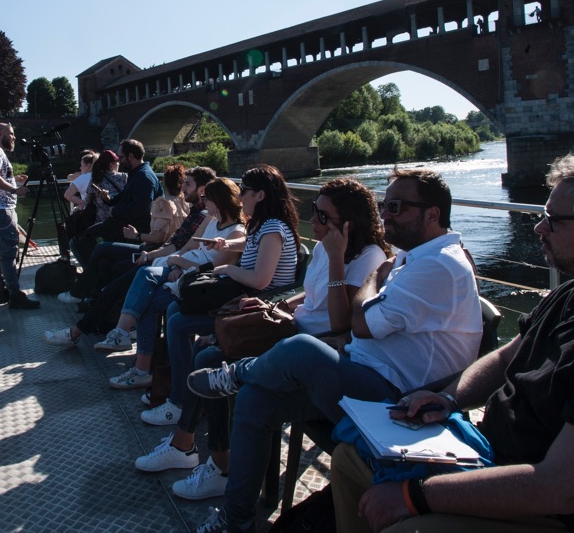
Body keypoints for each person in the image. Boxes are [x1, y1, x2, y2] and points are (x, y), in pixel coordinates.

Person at [334, 151, 574, 533]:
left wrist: (413, 496)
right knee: (350, 459)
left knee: (405, 527)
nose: (539, 228)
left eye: (554, 219)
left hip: (569, 514)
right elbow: (506, 358)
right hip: (501, 461)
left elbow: (559, 487)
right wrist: (448, 398)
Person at [187, 168, 482, 533]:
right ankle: (236, 519)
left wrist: (375, 278)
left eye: (395, 207)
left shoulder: (435, 264)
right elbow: (362, 322)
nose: (386, 215)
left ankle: (237, 373)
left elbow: (359, 323)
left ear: (432, 214)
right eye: (383, 206)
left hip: (402, 398)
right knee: (254, 400)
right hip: (364, 368)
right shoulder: (414, 258)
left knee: (302, 349)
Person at [139, 179, 392, 502]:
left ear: (349, 223)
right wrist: (278, 305)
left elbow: (341, 321)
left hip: (313, 344)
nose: (313, 220)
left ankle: (202, 455)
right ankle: (197, 450)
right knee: (205, 348)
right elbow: (310, 297)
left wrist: (336, 260)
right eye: (314, 211)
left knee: (209, 358)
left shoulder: (366, 257)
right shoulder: (323, 246)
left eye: (322, 216)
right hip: (290, 326)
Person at [92, 178, 248, 390]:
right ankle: (128, 345)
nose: (204, 203)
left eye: (207, 199)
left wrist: (179, 264)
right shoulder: (210, 220)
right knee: (145, 279)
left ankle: (134, 356)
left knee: (146, 293)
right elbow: (189, 246)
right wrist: (176, 264)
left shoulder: (236, 232)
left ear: (219, 201)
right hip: (182, 270)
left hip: (198, 282)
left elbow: (214, 268)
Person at [43, 166, 217, 348]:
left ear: (202, 189)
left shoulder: (202, 215)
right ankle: (109, 317)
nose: (183, 187)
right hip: (163, 257)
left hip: (169, 264)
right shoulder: (196, 212)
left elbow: (180, 248)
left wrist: (150, 252)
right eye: (183, 183)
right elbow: (179, 245)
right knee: (106, 262)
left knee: (113, 282)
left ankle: (80, 329)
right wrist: (151, 253)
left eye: (188, 184)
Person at [59, 162, 189, 305]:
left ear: (164, 182)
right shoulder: (183, 203)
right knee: (104, 261)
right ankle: (99, 297)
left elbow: (159, 237)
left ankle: (80, 292)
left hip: (152, 249)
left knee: (101, 248)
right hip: (163, 249)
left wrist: (136, 235)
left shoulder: (163, 203)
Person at [0, 122, 41, 309]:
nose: (14, 137)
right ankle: (15, 295)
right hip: (0, 211)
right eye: (12, 134)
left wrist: (12, 180)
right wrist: (15, 189)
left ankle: (2, 291)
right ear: (0, 134)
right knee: (8, 253)